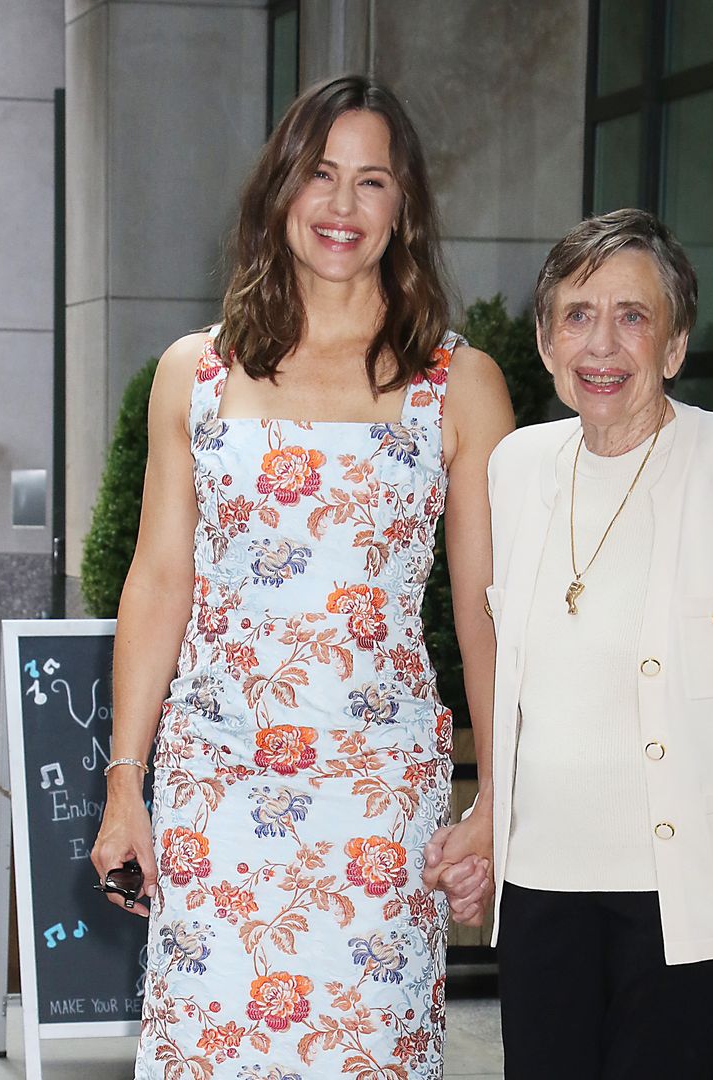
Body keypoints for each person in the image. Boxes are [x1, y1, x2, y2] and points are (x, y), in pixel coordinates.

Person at [91, 75, 508, 1079]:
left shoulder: (461, 384)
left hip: (377, 796)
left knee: (365, 1051)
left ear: (404, 208)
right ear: (279, 191)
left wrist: (497, 796)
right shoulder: (191, 373)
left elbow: (489, 611)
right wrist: (124, 785)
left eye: (372, 182)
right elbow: (157, 582)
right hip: (216, 785)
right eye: (321, 176)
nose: (342, 207)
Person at [426, 209, 713, 1079]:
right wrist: (486, 826)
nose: (601, 344)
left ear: (675, 345)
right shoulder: (519, 467)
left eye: (632, 316)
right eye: (577, 315)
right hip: (540, 901)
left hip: (686, 906)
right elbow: (518, 681)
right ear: (544, 340)